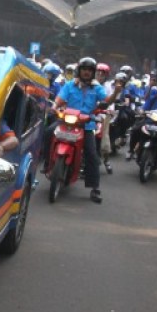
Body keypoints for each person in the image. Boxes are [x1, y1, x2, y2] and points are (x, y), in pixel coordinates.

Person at [53, 57, 121, 203]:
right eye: (84, 69)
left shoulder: (97, 88)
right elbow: (60, 98)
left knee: (92, 154)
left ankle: (94, 188)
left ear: (93, 72)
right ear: (79, 70)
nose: (86, 72)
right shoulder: (70, 85)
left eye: (89, 70)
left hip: (86, 125)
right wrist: (54, 107)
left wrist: (116, 93)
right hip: (67, 122)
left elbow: (106, 101)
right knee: (47, 134)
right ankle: (47, 165)